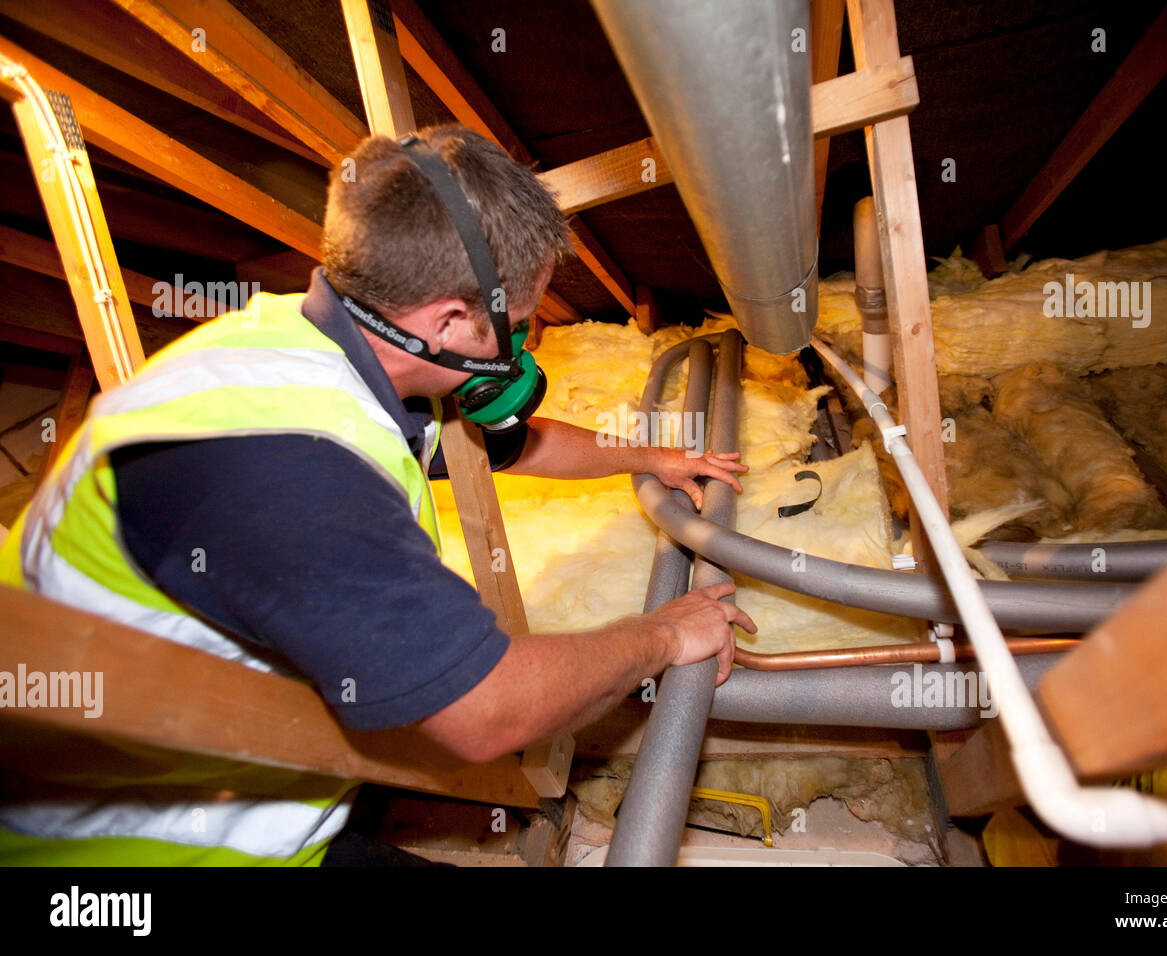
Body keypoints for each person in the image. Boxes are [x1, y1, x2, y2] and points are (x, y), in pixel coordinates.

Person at [0, 124, 755, 865]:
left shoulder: (306, 339)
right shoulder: (290, 471)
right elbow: (486, 710)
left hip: (244, 793)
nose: (521, 354)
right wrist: (662, 634)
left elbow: (521, 443)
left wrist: (651, 456)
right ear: (450, 321)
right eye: (517, 328)